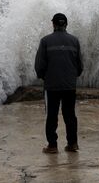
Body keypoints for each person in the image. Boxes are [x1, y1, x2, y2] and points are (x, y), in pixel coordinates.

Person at [35, 13, 83, 154]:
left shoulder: (45, 41)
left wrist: (45, 77)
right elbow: (80, 66)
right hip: (69, 85)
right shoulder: (75, 41)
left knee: (51, 115)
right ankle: (72, 144)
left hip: (51, 86)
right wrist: (72, 77)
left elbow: (39, 65)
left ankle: (52, 146)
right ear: (66, 24)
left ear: (53, 24)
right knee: (70, 115)